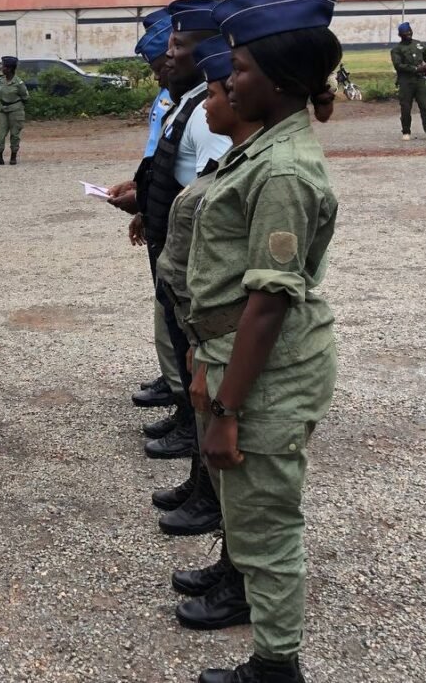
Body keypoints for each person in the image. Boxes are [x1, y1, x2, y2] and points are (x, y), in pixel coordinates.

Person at [185, 0, 342, 683]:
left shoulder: (282, 168)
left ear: (278, 84)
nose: (230, 78)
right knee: (248, 514)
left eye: (241, 68)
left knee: (269, 524)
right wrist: (204, 363)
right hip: (235, 353)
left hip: (268, 368)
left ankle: (277, 667)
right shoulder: (262, 151)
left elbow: (269, 303)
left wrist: (227, 409)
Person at [153, 34, 261, 635]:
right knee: (236, 486)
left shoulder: (274, 169)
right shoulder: (241, 153)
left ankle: (270, 644)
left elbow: (264, 298)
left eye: (225, 83)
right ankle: (233, 568)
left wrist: (225, 397)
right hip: (211, 335)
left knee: (255, 492)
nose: (211, 97)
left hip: (234, 343)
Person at [140, 0, 231, 468]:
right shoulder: (188, 103)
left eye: (178, 45)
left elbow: (209, 196)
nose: (167, 55)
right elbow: (165, 166)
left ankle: (197, 446)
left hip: (194, 260)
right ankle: (186, 424)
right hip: (172, 246)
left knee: (195, 353)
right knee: (178, 342)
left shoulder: (205, 113)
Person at [107, 10, 181, 413]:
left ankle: (181, 390)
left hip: (171, 210)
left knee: (176, 303)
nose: (156, 75)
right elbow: (154, 157)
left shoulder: (194, 102)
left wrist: (147, 201)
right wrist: (139, 192)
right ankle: (173, 378)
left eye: (160, 65)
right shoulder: (167, 96)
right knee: (165, 299)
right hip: (156, 202)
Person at [390, 22, 426, 141]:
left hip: (420, 80)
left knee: (424, 106)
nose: (409, 34)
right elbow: (398, 65)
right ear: (400, 34)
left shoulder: (419, 44)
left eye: (410, 32)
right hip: (406, 81)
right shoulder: (396, 49)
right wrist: (415, 69)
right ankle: (406, 131)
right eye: (406, 33)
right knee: (405, 107)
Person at [0, 55, 29, 165]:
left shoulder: (18, 83)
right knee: (0, 134)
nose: (2, 69)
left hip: (16, 110)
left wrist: (18, 107)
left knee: (15, 134)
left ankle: (13, 156)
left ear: (10, 69)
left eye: (4, 67)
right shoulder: (2, 81)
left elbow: (25, 97)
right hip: (3, 110)